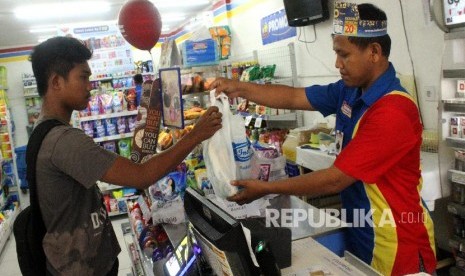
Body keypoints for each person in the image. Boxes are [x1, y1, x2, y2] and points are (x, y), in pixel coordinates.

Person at [210, 3, 436, 276]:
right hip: (363, 231)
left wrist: (267, 188)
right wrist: (240, 88)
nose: (337, 64)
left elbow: (335, 179)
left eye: (344, 55)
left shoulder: (393, 111)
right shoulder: (350, 90)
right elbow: (294, 97)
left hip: (397, 245)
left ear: (374, 52)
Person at [29, 36, 222, 275]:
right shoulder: (63, 140)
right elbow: (140, 176)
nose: (90, 86)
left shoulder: (44, 130)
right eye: (83, 77)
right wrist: (195, 136)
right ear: (56, 82)